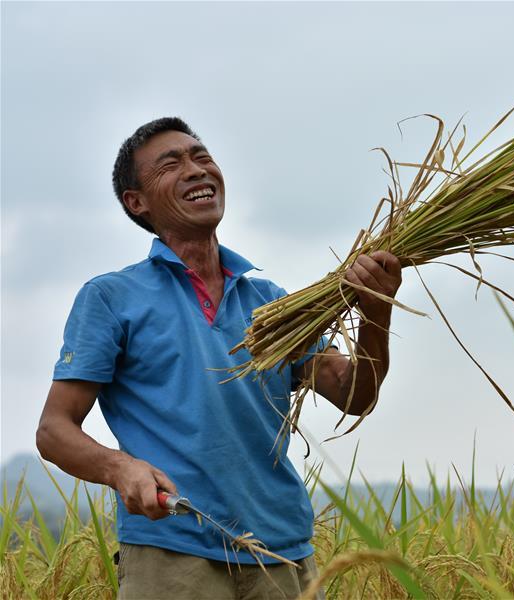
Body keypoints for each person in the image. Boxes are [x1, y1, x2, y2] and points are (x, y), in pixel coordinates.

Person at [35, 117, 402, 599]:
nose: (195, 169)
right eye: (172, 164)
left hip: (282, 553)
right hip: (174, 554)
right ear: (136, 202)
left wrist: (376, 312)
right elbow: (54, 430)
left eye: (202, 157)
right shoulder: (112, 298)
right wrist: (121, 469)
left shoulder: (272, 303)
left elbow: (354, 395)